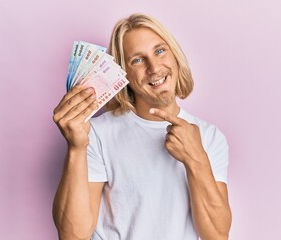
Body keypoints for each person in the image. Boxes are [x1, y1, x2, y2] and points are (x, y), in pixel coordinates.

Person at [52, 13, 232, 240]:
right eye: (137, 59)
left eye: (159, 51)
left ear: (175, 56)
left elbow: (217, 235)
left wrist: (196, 159)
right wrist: (76, 148)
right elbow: (72, 236)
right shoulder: (95, 133)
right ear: (123, 73)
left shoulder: (211, 137)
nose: (154, 67)